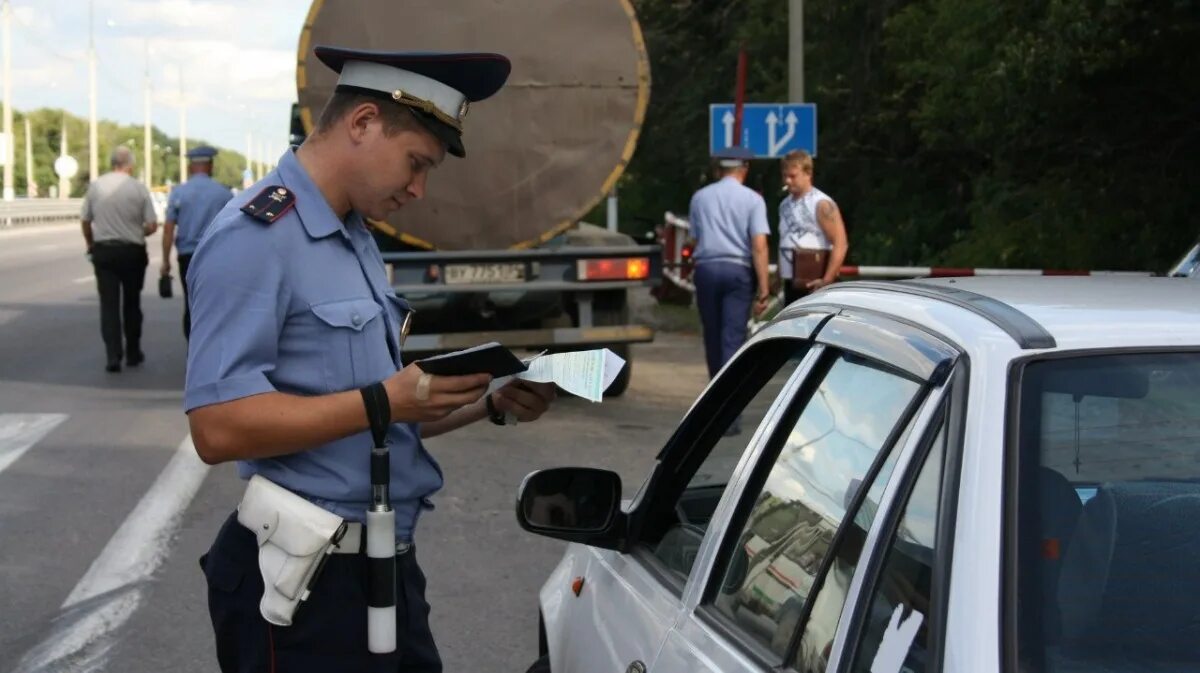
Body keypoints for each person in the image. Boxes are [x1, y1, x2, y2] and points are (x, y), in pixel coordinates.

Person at [185, 47, 558, 673]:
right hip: (302, 587)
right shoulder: (255, 237)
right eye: (416, 164)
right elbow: (217, 427)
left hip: (382, 566)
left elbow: (368, 414)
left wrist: (485, 403)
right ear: (361, 123)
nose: (418, 189)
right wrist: (386, 399)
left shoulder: (351, 236)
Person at [688, 146, 771, 382]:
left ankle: (713, 392)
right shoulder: (753, 200)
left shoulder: (700, 198)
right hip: (737, 272)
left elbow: (694, 238)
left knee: (712, 337)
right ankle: (729, 404)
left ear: (718, 170)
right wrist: (764, 287)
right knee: (732, 338)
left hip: (706, 269)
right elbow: (759, 245)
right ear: (744, 169)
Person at [81, 145, 159, 372]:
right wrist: (136, 233)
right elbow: (152, 225)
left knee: (109, 305)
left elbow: (85, 220)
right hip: (132, 252)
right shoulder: (139, 188)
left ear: (112, 163)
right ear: (130, 165)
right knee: (132, 303)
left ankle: (112, 355)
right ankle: (133, 353)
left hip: (104, 251)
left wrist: (90, 243)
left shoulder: (96, 187)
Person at [161, 145, 233, 339]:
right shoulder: (224, 194)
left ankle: (193, 350)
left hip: (187, 257)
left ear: (191, 167)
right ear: (210, 166)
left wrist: (165, 261)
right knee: (214, 304)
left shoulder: (178, 193)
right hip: (216, 257)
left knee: (191, 304)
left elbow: (168, 229)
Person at [778, 150, 848, 305]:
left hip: (816, 280)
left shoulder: (821, 204)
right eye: (785, 176)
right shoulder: (784, 205)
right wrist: (778, 276)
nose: (788, 181)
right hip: (792, 280)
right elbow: (785, 242)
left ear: (808, 173)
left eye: (793, 176)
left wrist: (827, 280)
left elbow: (840, 243)